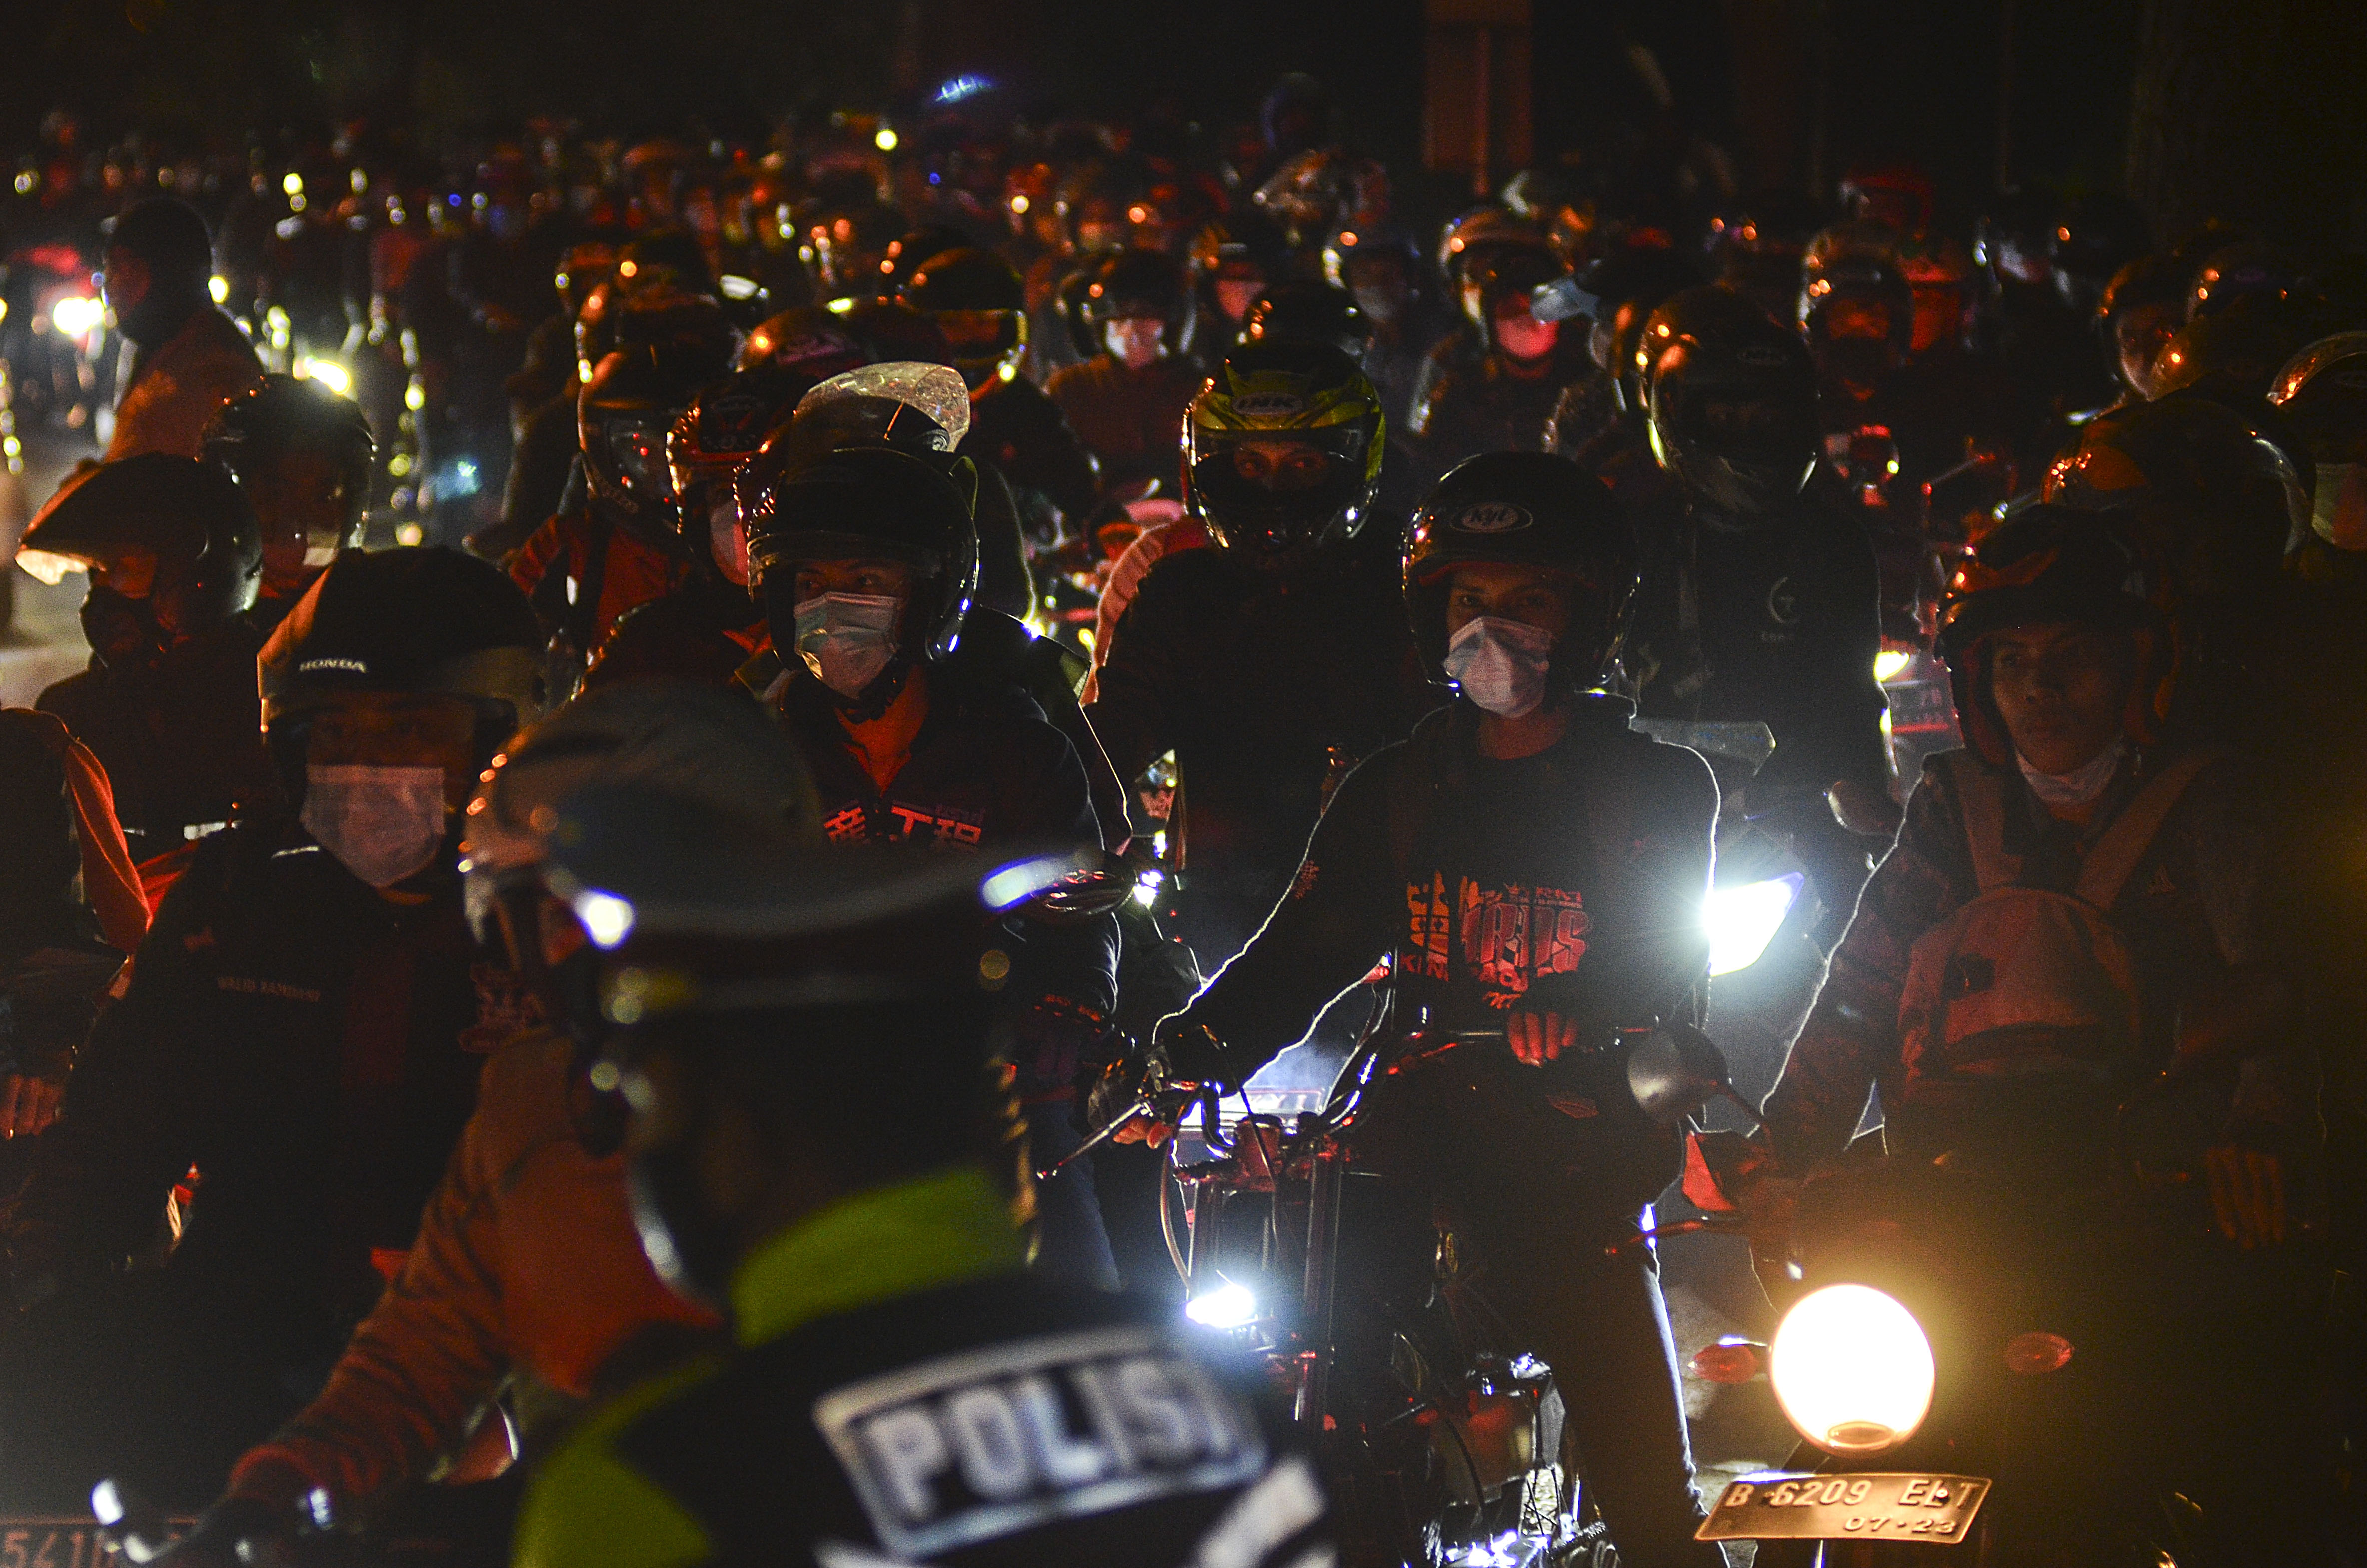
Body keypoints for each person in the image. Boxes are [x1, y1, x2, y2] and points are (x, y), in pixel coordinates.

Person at [1097, 452, 1726, 1568]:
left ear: (1585, 617)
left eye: (1525, 602)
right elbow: (1306, 949)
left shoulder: (1654, 786)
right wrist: (1190, 1046)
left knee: (1649, 1497)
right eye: (1467, 602)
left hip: (1570, 1155)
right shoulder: (1396, 784)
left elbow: (1665, 951)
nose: (1492, 630)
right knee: (1289, 1346)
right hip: (1403, 1133)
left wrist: (1580, 1007)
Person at [506, 782, 1331, 1568]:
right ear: (986, 1112)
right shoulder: (1228, 1408)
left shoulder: (651, 1485)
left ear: (737, 1128)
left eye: (648, 1100)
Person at [1755, 504, 2326, 1564]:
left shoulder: (2214, 802)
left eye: (2070, 658)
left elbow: (2278, 987)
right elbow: (1861, 984)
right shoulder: (1950, 806)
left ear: (2138, 665)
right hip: (1961, 1180)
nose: (2039, 689)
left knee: (2255, 1464)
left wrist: (2262, 1135)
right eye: (2009, 661)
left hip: (2152, 1187)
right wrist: (1778, 1147)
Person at [170, 683, 815, 1559]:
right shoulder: (533, 1096)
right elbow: (426, 1350)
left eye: (596, 904)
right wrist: (275, 1492)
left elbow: (902, 1358)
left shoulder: (862, 1095)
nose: (565, 947)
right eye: (536, 914)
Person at [0, 548, 546, 1512]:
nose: (372, 768)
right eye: (338, 734)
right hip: (246, 1335)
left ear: (503, 738)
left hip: (507, 1350)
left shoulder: (574, 915)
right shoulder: (237, 896)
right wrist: (31, 1270)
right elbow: (114, 1139)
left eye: (413, 732)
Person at [737, 424, 1122, 1288]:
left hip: (999, 1098)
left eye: (866, 582)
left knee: (1085, 1310)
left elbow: (1080, 908)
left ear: (930, 593)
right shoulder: (752, 755)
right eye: (812, 583)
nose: (834, 608)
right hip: (809, 1112)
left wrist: (1068, 1009)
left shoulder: (1017, 748)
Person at [1083, 340, 1436, 979]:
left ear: (1353, 464)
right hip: (1218, 912)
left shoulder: (1411, 581)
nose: (1273, 491)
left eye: (1302, 464)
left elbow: (1469, 741)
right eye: (1248, 464)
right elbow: (1110, 736)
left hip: (1393, 911)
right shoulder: (1178, 588)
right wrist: (1065, 818)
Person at [1626, 291, 1894, 933]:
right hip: (1638, 811)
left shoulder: (1833, 545)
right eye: (1727, 414)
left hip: (1787, 817)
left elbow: (1851, 690)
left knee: (1860, 946)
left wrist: (1861, 796)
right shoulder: (1631, 540)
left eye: (1768, 417)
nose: (1749, 435)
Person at [24, 455, 276, 869]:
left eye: (125, 569)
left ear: (203, 576)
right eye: (97, 574)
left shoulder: (275, 703)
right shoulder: (71, 717)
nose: (103, 599)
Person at [509, 333, 735, 680]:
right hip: (616, 718)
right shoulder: (572, 542)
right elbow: (506, 631)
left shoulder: (743, 530)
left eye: (685, 445)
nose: (669, 469)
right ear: (600, 447)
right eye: (643, 449)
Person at [903, 246, 1101, 547]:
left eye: (984, 322)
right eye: (955, 324)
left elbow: (1071, 477)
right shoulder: (897, 406)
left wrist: (1105, 522)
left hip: (1017, 558)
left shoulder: (1024, 403)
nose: (971, 336)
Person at [202, 374, 376, 633]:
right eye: (276, 490)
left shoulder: (375, 622)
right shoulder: (195, 615)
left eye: (325, 495)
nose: (298, 517)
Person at [99, 197, 264, 461]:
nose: (111, 287)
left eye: (126, 268)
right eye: (109, 270)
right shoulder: (168, 350)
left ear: (170, 274)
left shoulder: (209, 374)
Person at [1404, 239, 1581, 478]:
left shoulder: (1584, 386)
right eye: (1512, 310)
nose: (1527, 322)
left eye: (1539, 311)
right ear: (1489, 323)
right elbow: (1431, 475)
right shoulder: (1459, 394)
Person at [1048, 249, 1206, 497]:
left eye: (1147, 318)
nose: (1133, 332)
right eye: (1121, 320)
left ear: (1172, 323)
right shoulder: (1071, 388)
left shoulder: (1196, 390)